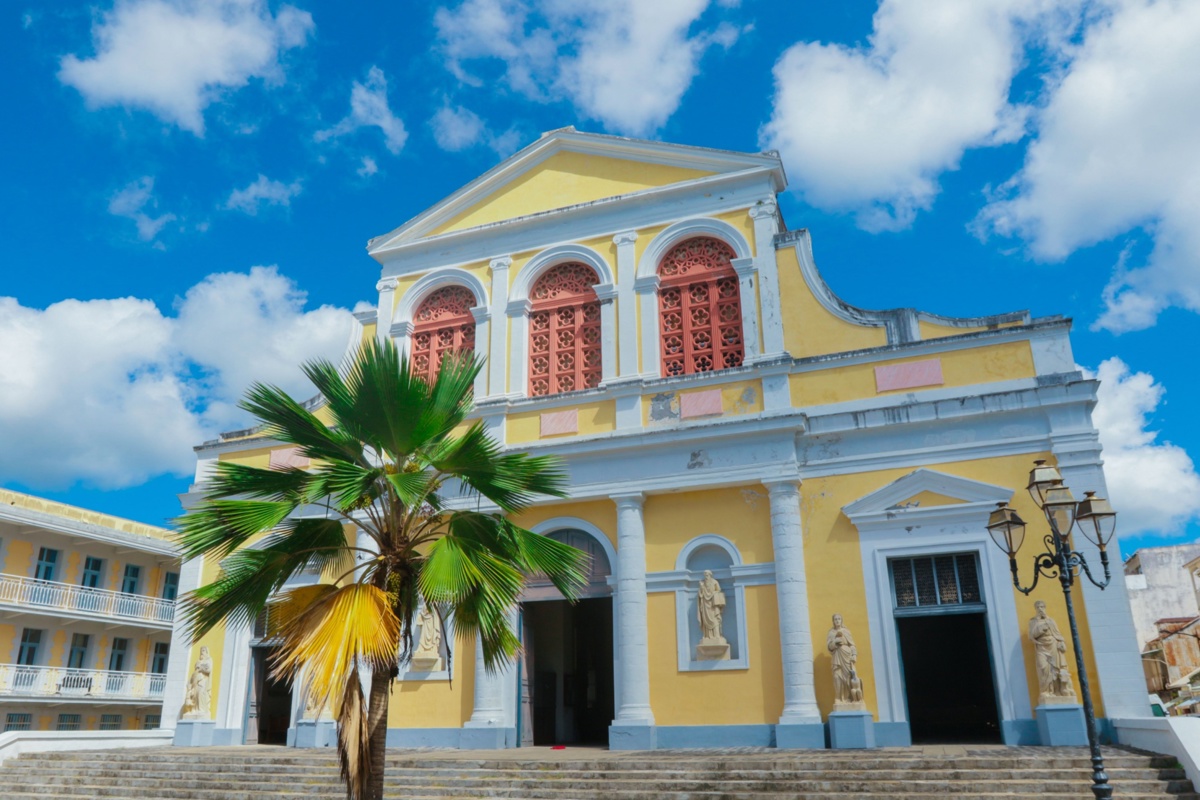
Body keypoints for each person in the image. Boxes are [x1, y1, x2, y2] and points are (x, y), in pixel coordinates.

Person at [1029, 600, 1075, 702]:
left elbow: (1057, 634)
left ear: (1045, 608)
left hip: (1053, 645)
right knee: (1043, 668)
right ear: (1035, 609)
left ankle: (1059, 690)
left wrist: (1061, 642)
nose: (1040, 609)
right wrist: (1041, 628)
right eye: (1038, 607)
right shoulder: (1033, 621)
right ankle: (1046, 691)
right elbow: (1031, 636)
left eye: (1042, 607)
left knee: (1056, 668)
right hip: (1041, 647)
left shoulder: (1051, 621)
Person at [827, 614, 860, 708]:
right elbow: (829, 647)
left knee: (848, 677)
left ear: (842, 620)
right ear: (833, 621)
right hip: (837, 656)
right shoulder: (831, 633)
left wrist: (854, 655)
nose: (837, 621)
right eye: (835, 619)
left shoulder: (846, 631)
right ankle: (838, 698)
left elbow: (852, 645)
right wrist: (835, 642)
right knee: (837, 677)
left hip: (846, 655)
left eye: (839, 619)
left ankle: (850, 698)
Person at [179, 646, 213, 720]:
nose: (202, 652)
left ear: (207, 652)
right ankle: (194, 709)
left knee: (201, 694)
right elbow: (195, 671)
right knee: (194, 695)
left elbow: (209, 670)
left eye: (203, 650)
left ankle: (201, 709)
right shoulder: (198, 661)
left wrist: (201, 668)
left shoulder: (208, 660)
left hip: (203, 681)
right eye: (201, 651)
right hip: (195, 680)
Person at [697, 570, 726, 642]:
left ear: (710, 575)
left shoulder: (714, 582)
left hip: (713, 604)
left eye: (707, 575)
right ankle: (707, 636)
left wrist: (713, 594)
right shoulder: (703, 583)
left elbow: (718, 590)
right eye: (705, 575)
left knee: (715, 618)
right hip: (705, 604)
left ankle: (717, 635)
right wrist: (701, 587)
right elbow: (700, 595)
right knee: (705, 619)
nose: (706, 577)